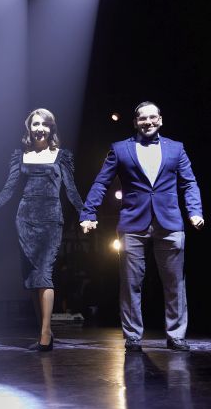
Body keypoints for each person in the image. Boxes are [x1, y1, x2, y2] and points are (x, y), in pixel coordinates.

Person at [80, 102, 203, 352]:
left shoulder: (176, 148)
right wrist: (88, 213)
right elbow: (102, 182)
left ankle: (176, 335)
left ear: (160, 120)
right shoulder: (120, 149)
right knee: (131, 283)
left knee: (174, 282)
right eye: (142, 118)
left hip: (169, 222)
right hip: (133, 223)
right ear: (135, 122)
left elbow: (189, 183)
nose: (148, 122)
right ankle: (133, 336)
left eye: (152, 117)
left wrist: (195, 211)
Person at [0, 109, 84, 352]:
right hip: (25, 219)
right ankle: (43, 331)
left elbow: (71, 189)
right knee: (32, 278)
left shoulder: (62, 156)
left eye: (44, 124)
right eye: (35, 124)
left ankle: (46, 333)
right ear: (29, 128)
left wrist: (86, 214)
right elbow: (8, 190)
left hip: (51, 220)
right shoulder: (20, 156)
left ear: (51, 128)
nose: (39, 128)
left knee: (44, 273)